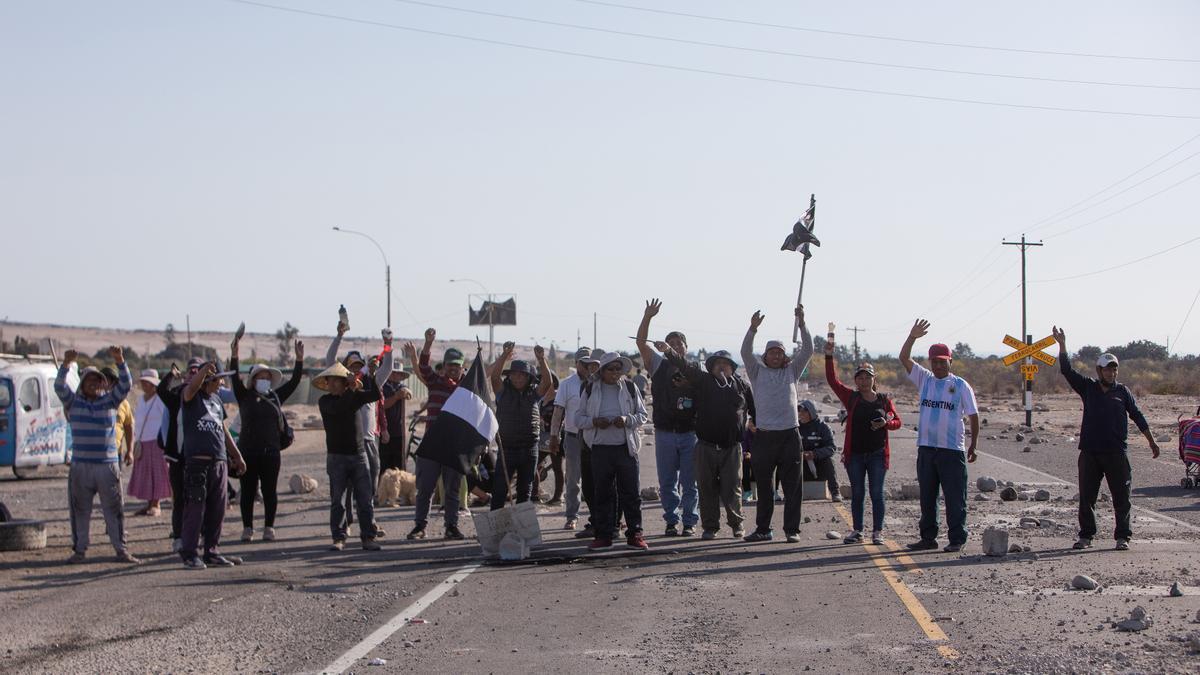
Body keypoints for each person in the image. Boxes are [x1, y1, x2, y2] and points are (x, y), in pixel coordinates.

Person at [1052, 327, 1160, 551]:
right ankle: (1086, 536)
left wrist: (1151, 440)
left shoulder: (1123, 392)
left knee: (1122, 498)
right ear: (1099, 371)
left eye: (1115, 370)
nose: (1112, 373)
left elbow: (1137, 415)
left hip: (1116, 454)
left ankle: (1122, 537)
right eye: (1108, 370)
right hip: (1090, 453)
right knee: (1087, 498)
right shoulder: (1088, 388)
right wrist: (1062, 345)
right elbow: (1067, 371)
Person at [899, 320, 979, 553]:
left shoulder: (960, 385)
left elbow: (973, 415)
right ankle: (928, 537)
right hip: (926, 448)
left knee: (955, 497)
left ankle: (956, 538)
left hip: (952, 450)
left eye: (942, 362)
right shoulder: (925, 379)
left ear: (950, 362)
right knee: (927, 497)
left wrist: (974, 444)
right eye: (934, 361)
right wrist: (912, 337)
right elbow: (904, 358)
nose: (938, 365)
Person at [55, 347, 141, 564]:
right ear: (82, 384)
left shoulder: (111, 401)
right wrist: (66, 364)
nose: (93, 384)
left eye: (97, 380)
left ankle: (121, 550)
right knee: (80, 510)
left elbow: (126, 384)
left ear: (103, 384)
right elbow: (59, 386)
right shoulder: (73, 402)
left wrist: (120, 360)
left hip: (107, 466)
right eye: (89, 380)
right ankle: (80, 550)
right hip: (81, 466)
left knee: (113, 509)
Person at [658, 345, 753, 540]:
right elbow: (685, 366)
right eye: (717, 364)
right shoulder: (703, 381)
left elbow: (754, 408)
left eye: (725, 364)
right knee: (706, 487)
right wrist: (669, 351)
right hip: (705, 446)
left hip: (732, 447)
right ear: (710, 367)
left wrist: (756, 427)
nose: (721, 367)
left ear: (732, 368)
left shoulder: (742, 385)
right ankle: (710, 527)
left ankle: (736, 524)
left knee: (732, 487)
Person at [739, 306, 813, 543]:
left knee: (793, 487)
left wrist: (802, 323)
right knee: (764, 485)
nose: (776, 356)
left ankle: (792, 530)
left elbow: (809, 349)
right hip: (764, 436)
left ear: (784, 356)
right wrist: (752, 329)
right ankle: (763, 529)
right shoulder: (756, 372)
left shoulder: (792, 371)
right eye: (772, 352)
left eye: (779, 352)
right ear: (765, 355)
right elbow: (745, 352)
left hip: (790, 435)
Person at [229, 333, 305, 543]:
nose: (264, 380)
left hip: (271, 452)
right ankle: (247, 528)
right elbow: (234, 376)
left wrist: (299, 359)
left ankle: (269, 527)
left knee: (270, 491)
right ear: (253, 380)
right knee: (247, 492)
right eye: (260, 377)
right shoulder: (244, 396)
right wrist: (234, 354)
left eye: (267, 377)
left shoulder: (276, 396)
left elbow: (295, 381)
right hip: (247, 452)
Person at [824, 344, 902, 546]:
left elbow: (897, 422)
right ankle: (857, 530)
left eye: (867, 377)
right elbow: (833, 381)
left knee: (877, 493)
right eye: (860, 377)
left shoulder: (884, 401)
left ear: (874, 379)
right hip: (855, 455)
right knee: (858, 493)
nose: (864, 381)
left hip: (877, 454)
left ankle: (877, 532)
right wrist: (829, 355)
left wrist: (886, 423)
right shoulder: (851, 398)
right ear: (856, 380)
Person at [636, 299, 699, 537]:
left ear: (685, 347)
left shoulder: (694, 369)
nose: (673, 346)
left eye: (678, 343)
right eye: (670, 343)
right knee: (667, 482)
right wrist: (648, 317)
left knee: (690, 483)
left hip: (690, 433)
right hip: (664, 433)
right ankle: (672, 520)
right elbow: (641, 342)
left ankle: (690, 521)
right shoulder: (658, 365)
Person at [575, 352, 649, 550]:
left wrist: (627, 420)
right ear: (602, 371)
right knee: (603, 493)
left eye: (618, 369)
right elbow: (578, 419)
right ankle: (604, 535)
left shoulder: (631, 388)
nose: (616, 372)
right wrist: (594, 422)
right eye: (611, 369)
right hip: (600, 449)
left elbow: (642, 415)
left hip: (626, 448)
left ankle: (635, 534)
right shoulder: (591, 389)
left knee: (631, 493)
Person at [178, 361, 248, 569]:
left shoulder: (217, 400)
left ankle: (212, 551)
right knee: (195, 509)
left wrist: (237, 455)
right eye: (218, 379)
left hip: (219, 462)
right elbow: (191, 388)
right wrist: (202, 372)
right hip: (197, 463)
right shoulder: (191, 396)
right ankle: (190, 553)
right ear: (207, 380)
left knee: (217, 509)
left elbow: (222, 428)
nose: (221, 383)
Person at [402, 328, 466, 540]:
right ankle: (420, 526)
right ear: (445, 366)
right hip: (431, 445)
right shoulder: (435, 382)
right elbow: (423, 366)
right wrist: (428, 343)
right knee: (425, 489)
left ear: (462, 367)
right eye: (450, 365)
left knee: (452, 490)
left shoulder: (467, 389)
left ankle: (451, 526)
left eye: (457, 365)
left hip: (454, 446)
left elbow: (486, 377)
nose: (453, 369)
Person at [314, 360, 383, 551]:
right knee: (338, 501)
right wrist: (353, 390)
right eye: (331, 381)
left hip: (359, 456)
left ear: (345, 383)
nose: (334, 384)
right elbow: (340, 408)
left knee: (365, 499)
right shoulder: (325, 402)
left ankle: (368, 537)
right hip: (336, 458)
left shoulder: (354, 396)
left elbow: (376, 395)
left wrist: (372, 375)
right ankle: (339, 538)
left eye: (338, 381)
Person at [489, 343, 554, 509]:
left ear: (528, 378)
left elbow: (547, 381)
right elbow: (495, 377)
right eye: (514, 375)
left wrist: (541, 359)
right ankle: (498, 533)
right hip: (507, 449)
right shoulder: (502, 392)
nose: (518, 378)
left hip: (529, 449)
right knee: (499, 491)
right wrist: (504, 355)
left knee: (525, 492)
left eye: (522, 375)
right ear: (509, 376)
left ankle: (522, 532)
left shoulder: (534, 394)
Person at [549, 348, 601, 533]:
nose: (587, 366)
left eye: (590, 363)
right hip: (573, 437)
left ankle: (600, 518)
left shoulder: (599, 382)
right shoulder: (567, 384)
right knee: (573, 480)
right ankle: (572, 517)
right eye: (583, 362)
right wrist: (554, 436)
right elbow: (558, 412)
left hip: (597, 438)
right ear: (577, 363)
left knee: (598, 479)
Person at [129, 368, 170, 516]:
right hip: (142, 441)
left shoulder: (160, 399)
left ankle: (156, 504)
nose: (144, 385)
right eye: (143, 382)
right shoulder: (141, 399)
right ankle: (148, 503)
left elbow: (166, 420)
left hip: (156, 442)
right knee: (145, 474)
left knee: (157, 473)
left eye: (147, 383)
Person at [531, 371, 563, 505]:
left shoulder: (559, 398)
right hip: (542, 439)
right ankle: (535, 494)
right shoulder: (542, 399)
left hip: (556, 438)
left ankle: (558, 497)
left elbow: (561, 419)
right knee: (533, 465)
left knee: (557, 467)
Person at [797, 399, 839, 499]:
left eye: (804, 411)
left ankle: (835, 492)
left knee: (828, 461)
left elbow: (831, 448)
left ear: (811, 412)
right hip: (801, 466)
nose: (801, 413)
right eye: (800, 411)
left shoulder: (823, 427)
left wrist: (814, 454)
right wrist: (800, 454)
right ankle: (790, 493)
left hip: (819, 466)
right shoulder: (796, 428)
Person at [380, 364, 414, 473]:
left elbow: (409, 393)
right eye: (393, 372)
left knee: (399, 466)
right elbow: (382, 405)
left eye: (398, 373)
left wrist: (406, 392)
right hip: (384, 432)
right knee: (384, 466)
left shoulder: (401, 387)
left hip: (399, 433)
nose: (395, 375)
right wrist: (396, 397)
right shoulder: (382, 387)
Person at [101, 367, 136, 470]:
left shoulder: (124, 404)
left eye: (109, 380)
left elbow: (129, 426)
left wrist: (130, 451)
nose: (106, 384)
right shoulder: (94, 401)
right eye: (103, 380)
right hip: (96, 453)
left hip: (116, 453)